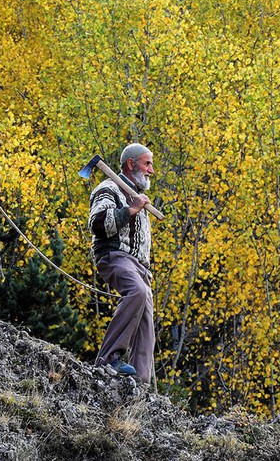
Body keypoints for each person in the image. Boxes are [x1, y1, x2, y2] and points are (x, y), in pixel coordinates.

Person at [88, 143, 155, 383]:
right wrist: (131, 209)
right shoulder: (109, 188)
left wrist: (137, 206)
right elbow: (97, 224)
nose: (151, 170)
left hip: (140, 266)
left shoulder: (136, 195)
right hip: (116, 256)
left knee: (147, 321)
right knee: (136, 292)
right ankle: (108, 359)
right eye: (147, 164)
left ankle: (140, 383)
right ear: (131, 164)